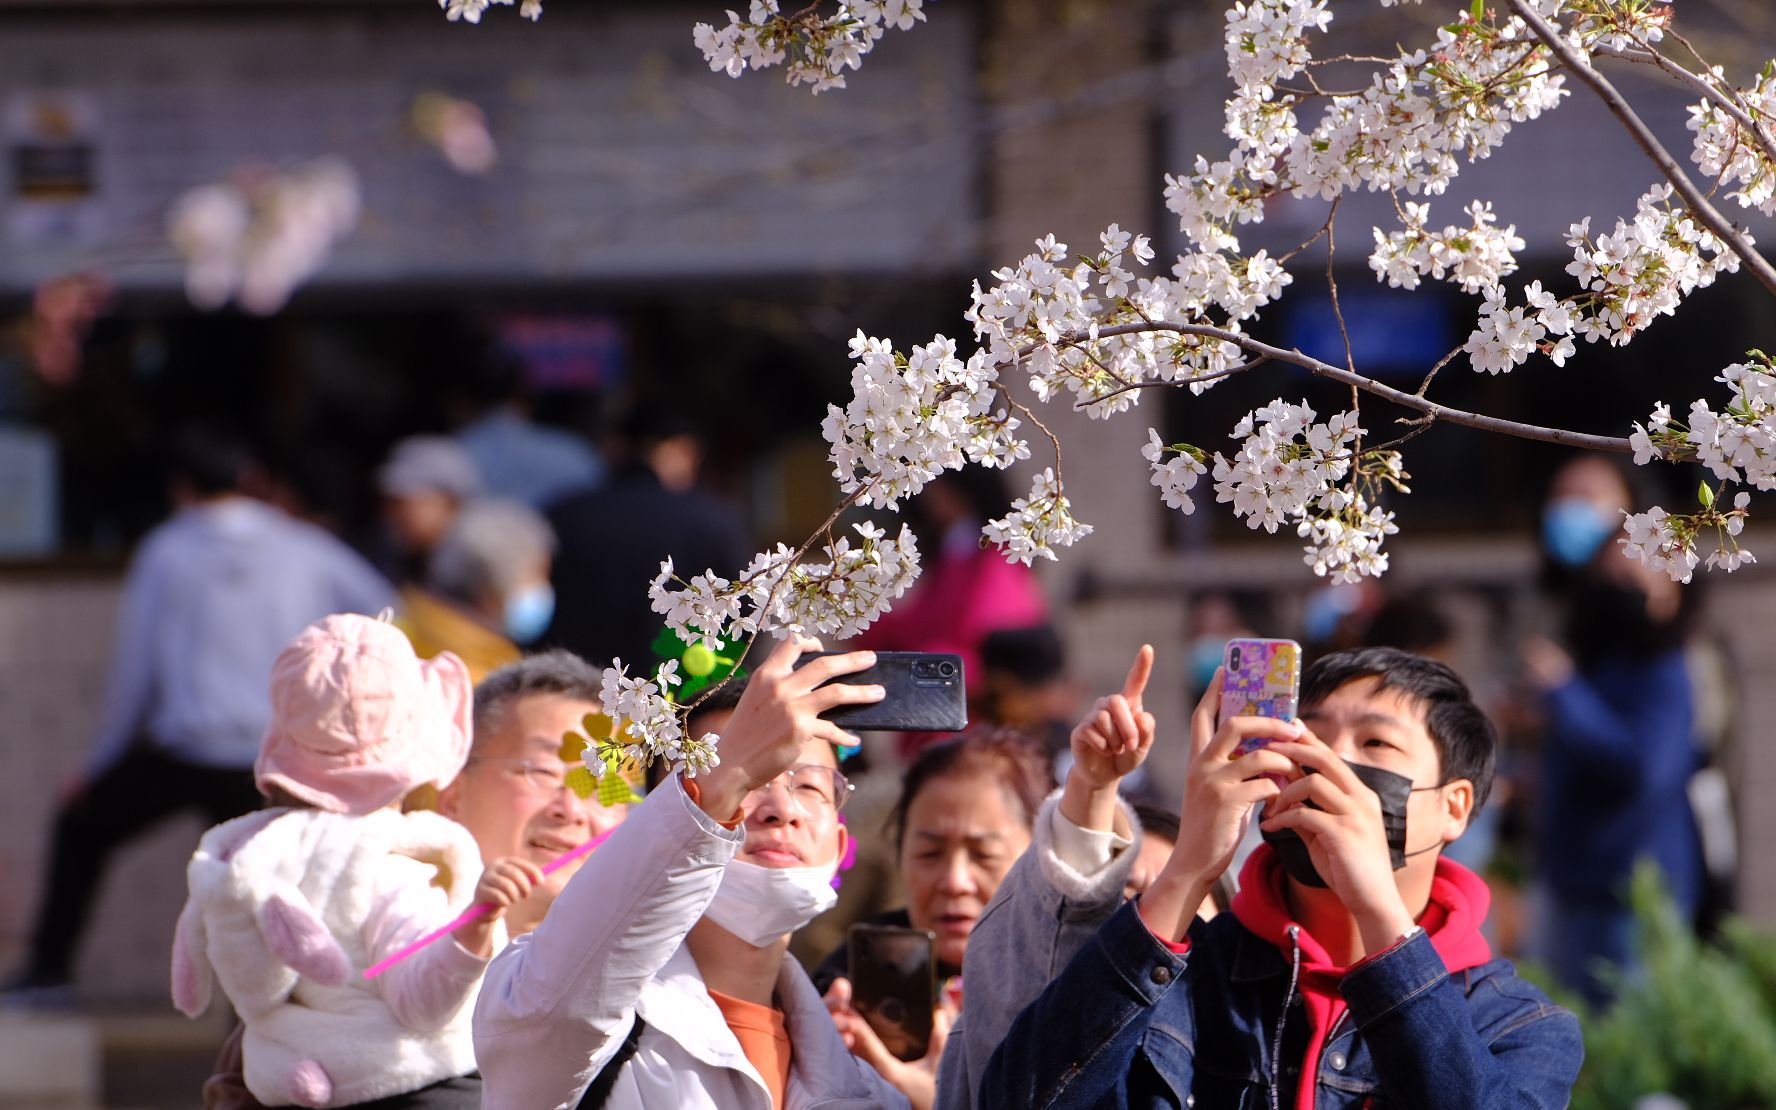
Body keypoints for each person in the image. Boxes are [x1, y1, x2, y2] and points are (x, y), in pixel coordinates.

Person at [946, 644, 1582, 1109]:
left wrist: (1378, 913)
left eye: (1377, 746)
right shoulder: (1181, 978)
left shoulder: (1518, 1025)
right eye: (1309, 737)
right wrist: (1190, 865)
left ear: (1454, 807)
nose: (1329, 763)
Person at [3, 428, 393, 1005]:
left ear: (180, 488)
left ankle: (49, 974)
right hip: (273, 758)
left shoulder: (165, 549)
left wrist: (100, 760)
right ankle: (290, 1002)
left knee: (82, 826)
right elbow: (388, 608)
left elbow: (136, 671)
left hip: (186, 750)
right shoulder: (303, 544)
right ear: (250, 481)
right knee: (273, 882)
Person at [472, 637, 909, 1109]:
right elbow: (555, 1010)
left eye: (808, 785)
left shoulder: (875, 1096)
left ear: (840, 845)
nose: (782, 810)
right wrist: (725, 778)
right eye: (748, 779)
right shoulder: (559, 1006)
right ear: (665, 815)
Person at [200, 648, 632, 1110]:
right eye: (542, 772)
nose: (571, 808)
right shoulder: (349, 948)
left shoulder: (644, 990)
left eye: (603, 785)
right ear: (452, 792)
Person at [171, 615, 502, 1107]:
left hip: (293, 1080)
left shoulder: (249, 858)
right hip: (418, 1085)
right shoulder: (388, 867)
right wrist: (477, 926)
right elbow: (423, 1004)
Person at [1524, 453, 1705, 1006]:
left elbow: (1639, 769)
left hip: (1633, 892)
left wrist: (1563, 694)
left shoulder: (1668, 670)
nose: (1622, 590)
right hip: (1572, 880)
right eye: (1612, 576)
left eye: (1637, 577)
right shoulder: (1600, 659)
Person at [816, 727, 1053, 1110]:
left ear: (1042, 858)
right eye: (929, 853)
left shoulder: (1073, 989)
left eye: (983, 854)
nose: (954, 882)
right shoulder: (841, 991)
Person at [545, 404, 748, 671]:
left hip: (579, 680)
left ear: (615, 446)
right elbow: (743, 611)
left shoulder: (565, 515)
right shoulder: (710, 519)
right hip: (682, 687)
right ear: (681, 447)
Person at [396, 499, 557, 682]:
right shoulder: (482, 681)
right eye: (537, 575)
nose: (543, 589)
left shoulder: (400, 623)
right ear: (495, 586)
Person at [378, 436, 484, 588]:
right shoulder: (402, 555)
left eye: (403, 503)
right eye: (389, 503)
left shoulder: (476, 563)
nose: (392, 514)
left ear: (449, 502)